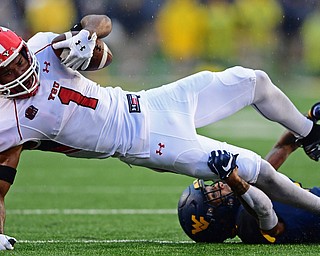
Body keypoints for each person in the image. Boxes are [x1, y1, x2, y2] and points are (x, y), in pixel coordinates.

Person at [0, 14, 320, 250]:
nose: (18, 71)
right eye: (7, 71)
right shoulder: (8, 121)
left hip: (148, 102)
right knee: (255, 169)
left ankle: (310, 134)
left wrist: (85, 35)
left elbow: (102, 27)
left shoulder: (42, 45)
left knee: (254, 81)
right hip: (146, 143)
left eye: (19, 60)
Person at [178, 176, 320, 244]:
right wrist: (237, 182)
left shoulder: (247, 201)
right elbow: (265, 210)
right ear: (218, 219)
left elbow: (267, 170)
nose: (218, 185)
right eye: (214, 194)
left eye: (211, 186)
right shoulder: (246, 221)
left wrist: (306, 123)